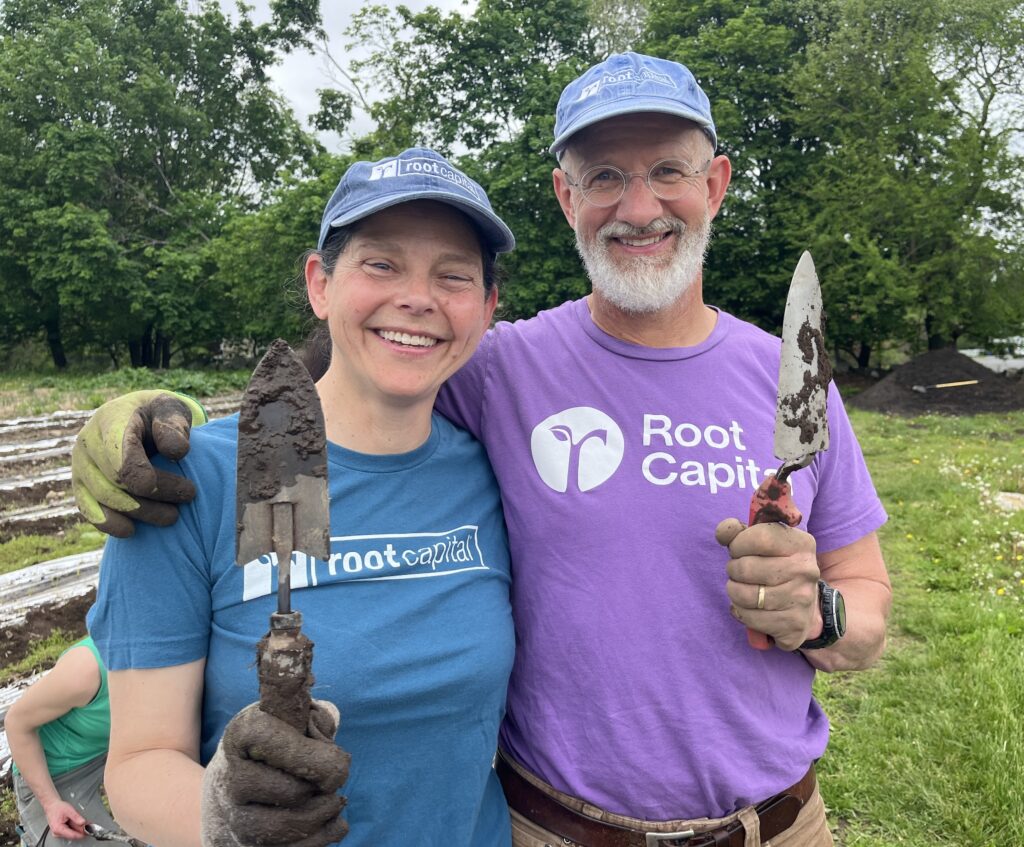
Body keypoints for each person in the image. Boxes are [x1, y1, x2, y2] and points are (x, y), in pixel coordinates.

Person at [73, 53, 892, 846]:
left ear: (713, 184)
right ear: (566, 196)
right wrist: (146, 417)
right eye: (605, 175)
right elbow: (348, 394)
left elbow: (867, 609)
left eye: (668, 171)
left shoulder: (792, 383)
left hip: (782, 826)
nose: (640, 207)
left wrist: (819, 613)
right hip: (555, 828)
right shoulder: (504, 372)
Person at [85, 147, 517, 847]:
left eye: (454, 275)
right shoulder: (193, 482)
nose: (417, 296)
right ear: (320, 283)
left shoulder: (493, 471)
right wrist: (219, 817)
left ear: (488, 307)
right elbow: (135, 762)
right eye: (381, 263)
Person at [6, 636, 138, 847]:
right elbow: (16, 723)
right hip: (59, 771)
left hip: (118, 750)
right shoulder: (86, 670)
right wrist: (51, 803)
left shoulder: (184, 658)